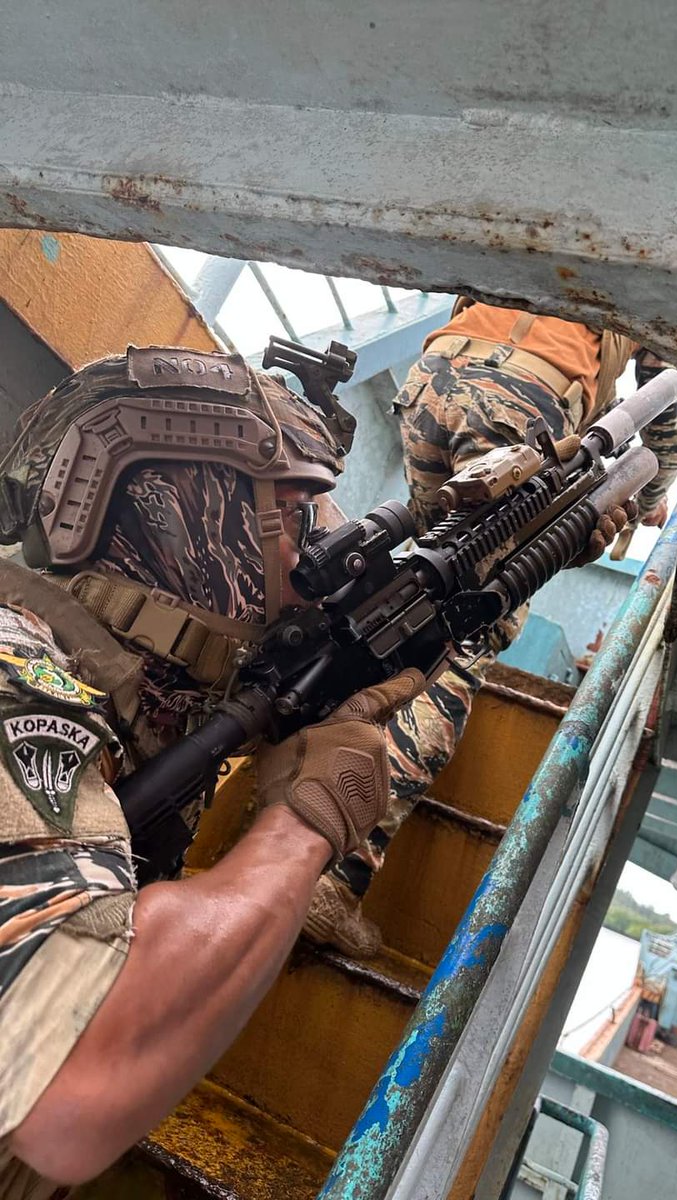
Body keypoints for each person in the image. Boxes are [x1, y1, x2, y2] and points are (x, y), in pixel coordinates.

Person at [0, 346, 425, 1195]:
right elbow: (70, 1089)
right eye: (298, 517)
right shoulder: (13, 673)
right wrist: (305, 826)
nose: (320, 563)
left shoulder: (116, 700)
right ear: (182, 520)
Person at [302, 302, 677, 957]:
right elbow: (667, 398)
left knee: (412, 593)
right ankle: (331, 876)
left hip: (436, 375)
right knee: (461, 635)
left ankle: (297, 771)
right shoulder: (646, 268)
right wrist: (655, 495)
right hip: (524, 403)